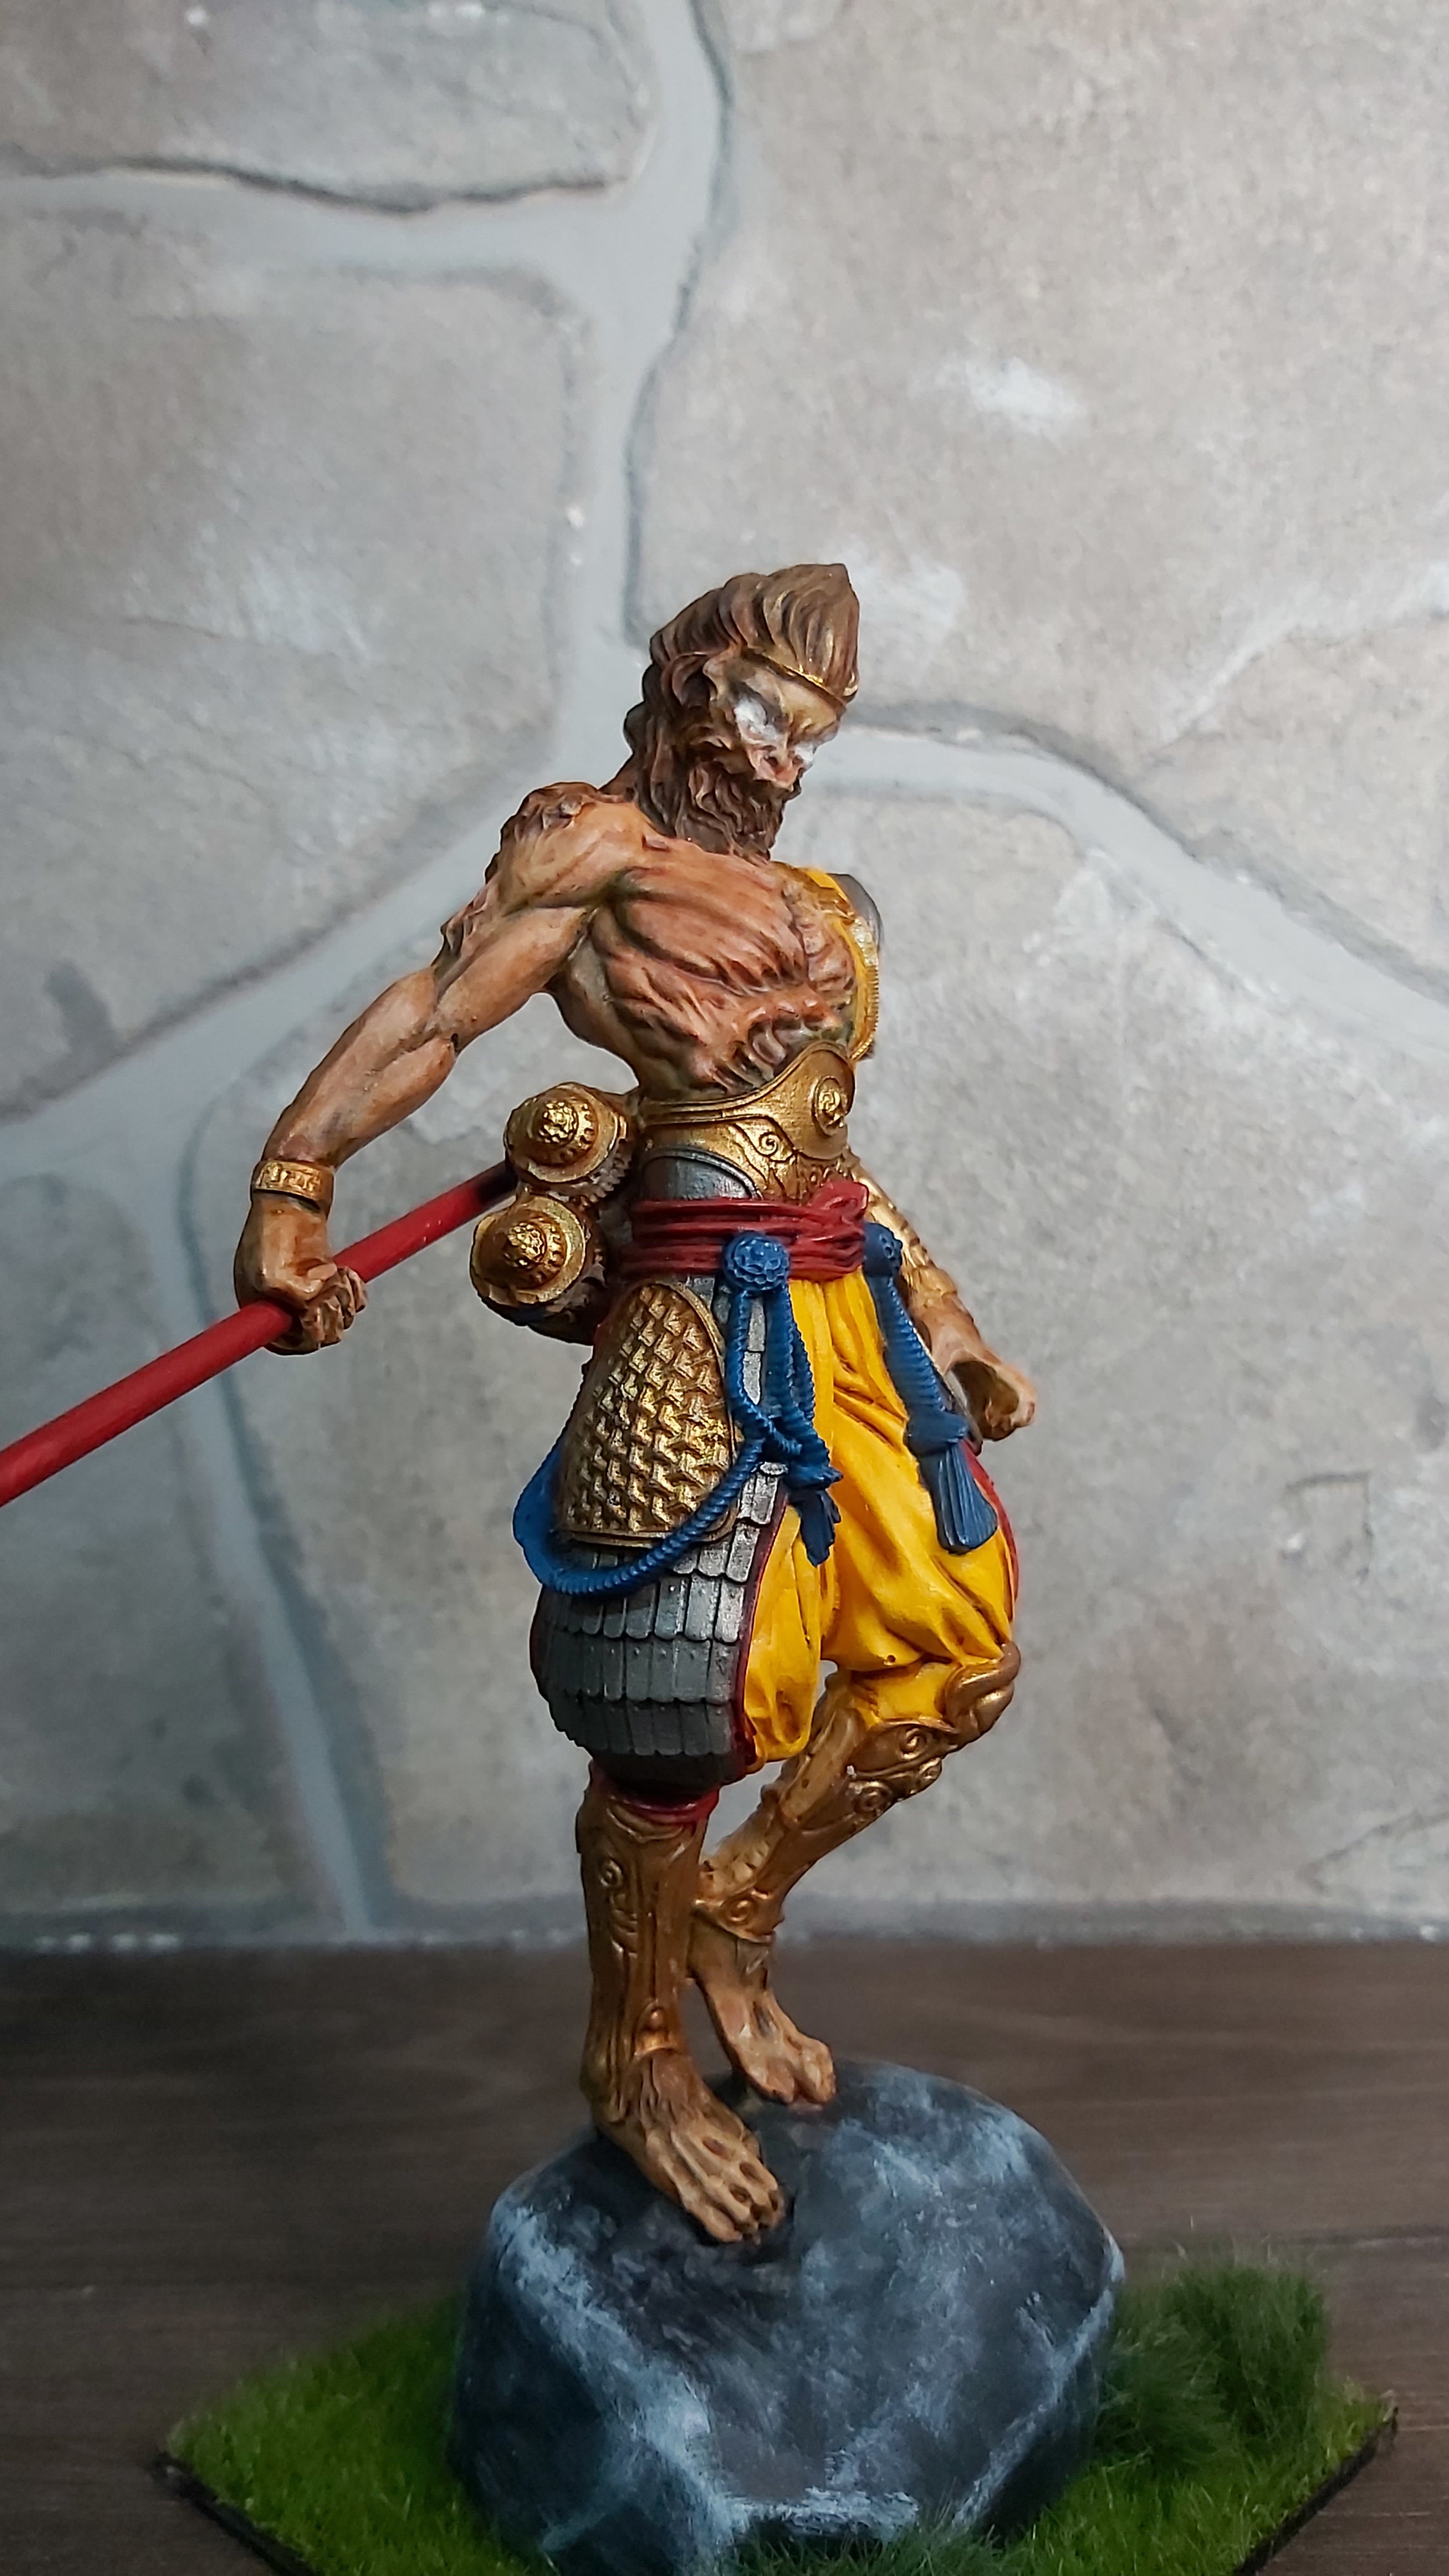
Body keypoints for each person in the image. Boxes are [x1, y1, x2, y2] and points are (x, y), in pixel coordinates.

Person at [234, 564, 1034, 2243]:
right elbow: (433, 1015)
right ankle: (636, 2054)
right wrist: (296, 1185)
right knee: (667, 1706)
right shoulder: (592, 853)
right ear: (685, 682)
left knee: (950, 1664)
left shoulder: (816, 904)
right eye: (759, 712)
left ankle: (737, 1910)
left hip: (842, 1314)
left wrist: (945, 1317)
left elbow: (827, 1153)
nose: (780, 758)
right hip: (691, 1316)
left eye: (809, 732)